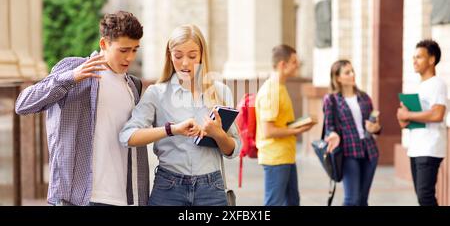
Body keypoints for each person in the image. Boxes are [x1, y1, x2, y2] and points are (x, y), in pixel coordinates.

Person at [15, 11, 149, 206]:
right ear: (104, 44)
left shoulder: (133, 85)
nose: (130, 57)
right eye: (123, 50)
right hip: (78, 197)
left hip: (121, 197)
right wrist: (71, 77)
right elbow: (22, 104)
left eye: (135, 50)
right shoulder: (74, 68)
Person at [119, 24, 241, 206]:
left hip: (211, 189)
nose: (185, 63)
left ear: (202, 55)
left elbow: (234, 150)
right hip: (168, 188)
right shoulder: (156, 93)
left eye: (192, 56)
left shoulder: (221, 92)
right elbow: (127, 136)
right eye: (178, 56)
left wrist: (218, 134)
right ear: (169, 56)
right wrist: (172, 130)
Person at [255, 44, 315, 206]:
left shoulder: (280, 87)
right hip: (275, 158)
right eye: (294, 61)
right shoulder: (271, 91)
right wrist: (297, 129)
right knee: (274, 203)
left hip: (286, 155)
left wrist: (299, 125)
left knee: (292, 201)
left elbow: (281, 123)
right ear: (283, 64)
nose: (298, 65)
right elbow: (268, 131)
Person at [324, 59, 381, 206]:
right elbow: (329, 127)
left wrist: (375, 128)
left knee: (362, 200)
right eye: (347, 72)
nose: (352, 74)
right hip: (348, 152)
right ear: (338, 78)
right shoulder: (331, 100)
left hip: (370, 151)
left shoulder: (364, 97)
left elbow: (374, 124)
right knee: (352, 199)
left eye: (352, 71)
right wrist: (333, 135)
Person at [397, 39, 447, 206]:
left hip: (430, 147)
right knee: (422, 196)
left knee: (425, 196)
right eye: (414, 57)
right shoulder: (419, 86)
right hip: (416, 148)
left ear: (431, 60)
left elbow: (438, 114)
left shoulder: (437, 84)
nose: (414, 61)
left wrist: (408, 114)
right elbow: (405, 123)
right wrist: (402, 116)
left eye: (419, 57)